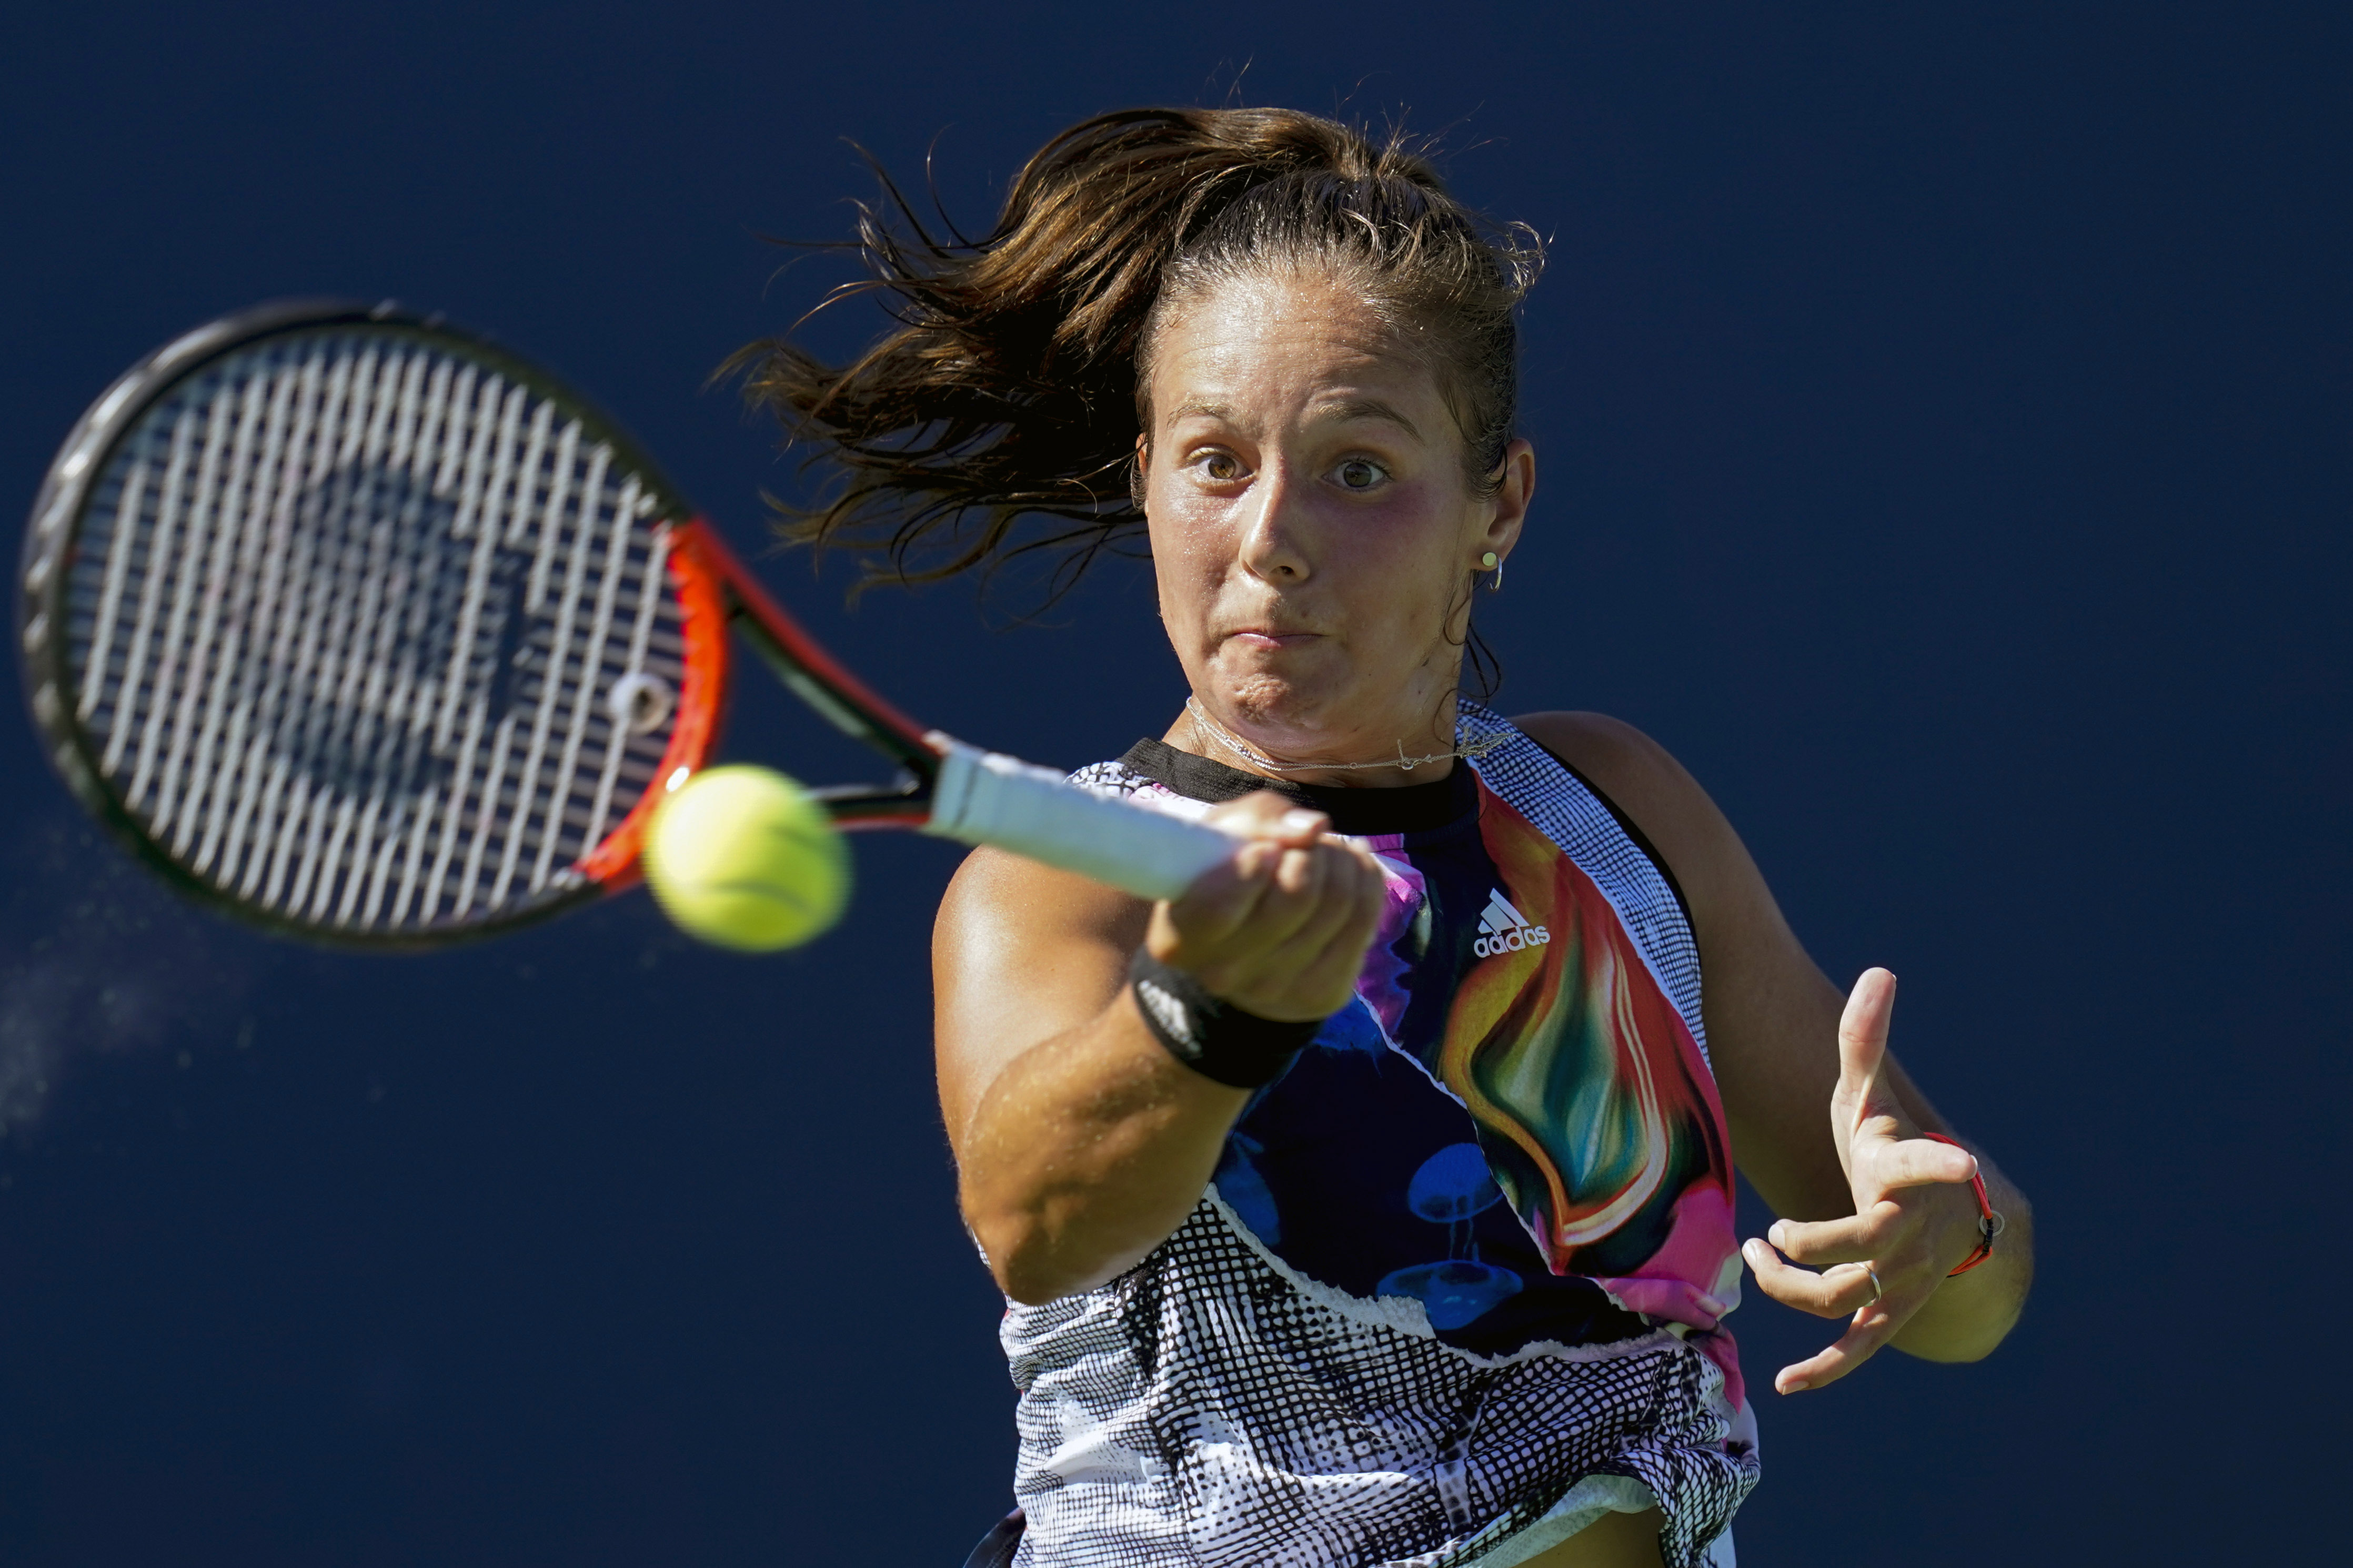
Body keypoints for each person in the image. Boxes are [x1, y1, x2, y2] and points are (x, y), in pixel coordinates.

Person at [732, 106, 2034, 1568]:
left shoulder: (1615, 809)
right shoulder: (1058, 882)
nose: (1268, 539)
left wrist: (1950, 1227)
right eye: (1215, 463)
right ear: (1146, 475)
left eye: (1356, 469)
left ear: (1498, 507)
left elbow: (1971, 1306)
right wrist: (1205, 1014)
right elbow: (1034, 1225)